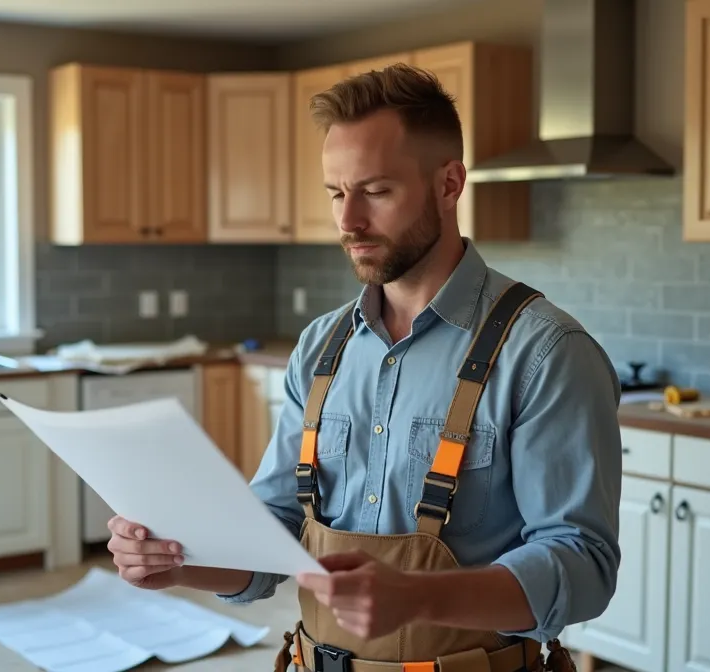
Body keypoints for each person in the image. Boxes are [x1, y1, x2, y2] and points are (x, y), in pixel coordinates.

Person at [106, 63, 623, 672]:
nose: (348, 220)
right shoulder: (321, 348)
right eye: (336, 193)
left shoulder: (545, 352)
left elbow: (583, 563)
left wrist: (419, 597)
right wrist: (178, 562)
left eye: (375, 191)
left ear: (449, 184)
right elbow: (275, 532)